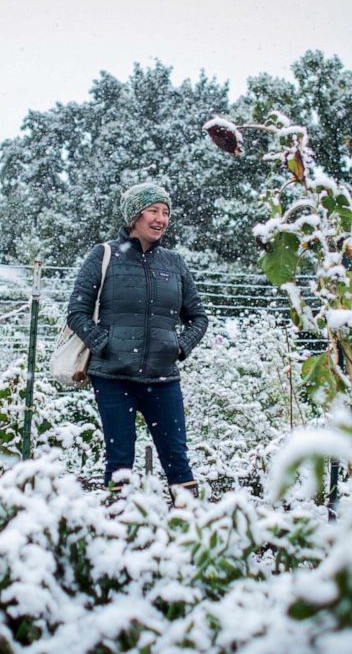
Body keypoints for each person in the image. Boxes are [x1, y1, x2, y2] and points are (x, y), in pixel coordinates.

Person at [66, 182, 208, 499]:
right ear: (134, 216)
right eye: (153, 211)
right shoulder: (103, 255)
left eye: (165, 212)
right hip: (113, 377)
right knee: (120, 464)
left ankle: (189, 533)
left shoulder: (174, 263)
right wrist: (106, 344)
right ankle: (117, 532)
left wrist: (180, 346)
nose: (161, 219)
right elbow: (76, 312)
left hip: (163, 377)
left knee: (178, 462)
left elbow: (198, 317)